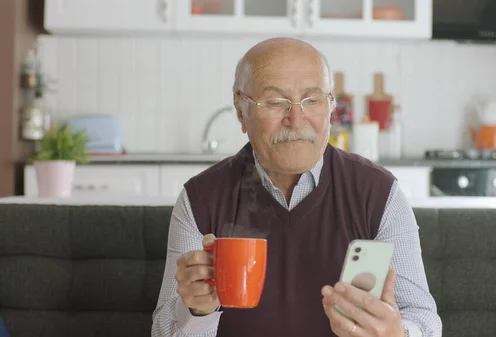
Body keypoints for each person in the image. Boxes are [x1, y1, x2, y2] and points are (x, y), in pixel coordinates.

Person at [152, 37, 442, 337]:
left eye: (312, 100)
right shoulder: (200, 199)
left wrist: (398, 333)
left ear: (330, 106)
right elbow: (164, 332)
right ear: (241, 111)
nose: (296, 119)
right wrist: (198, 311)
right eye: (276, 102)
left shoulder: (379, 195)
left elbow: (424, 319)